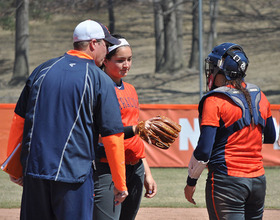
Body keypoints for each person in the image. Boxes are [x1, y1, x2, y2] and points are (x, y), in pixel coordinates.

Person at [8, 19, 128, 220]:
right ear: (93, 44)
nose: (107, 51)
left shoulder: (42, 70)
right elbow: (112, 136)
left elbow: (19, 121)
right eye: (105, 45)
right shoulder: (99, 79)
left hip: (35, 172)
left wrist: (15, 167)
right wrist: (120, 183)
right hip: (74, 177)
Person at [184, 42, 276, 219]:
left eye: (213, 68)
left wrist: (191, 181)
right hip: (258, 180)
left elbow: (204, 151)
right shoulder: (260, 95)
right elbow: (271, 137)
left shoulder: (215, 100)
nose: (210, 72)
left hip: (227, 181)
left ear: (224, 71)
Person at [93, 34, 157, 220]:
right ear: (105, 60)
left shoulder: (130, 89)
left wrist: (147, 173)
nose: (126, 65)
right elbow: (97, 134)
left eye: (129, 59)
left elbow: (136, 138)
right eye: (120, 60)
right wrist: (135, 130)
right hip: (108, 166)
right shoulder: (98, 89)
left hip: (135, 166)